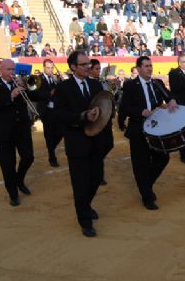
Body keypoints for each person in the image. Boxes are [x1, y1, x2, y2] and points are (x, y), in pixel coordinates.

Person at [54, 51, 108, 237]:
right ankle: (85, 220)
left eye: (89, 63)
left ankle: (85, 205)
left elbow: (104, 107)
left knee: (96, 177)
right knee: (80, 183)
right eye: (84, 64)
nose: (88, 66)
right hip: (77, 142)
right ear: (73, 67)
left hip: (96, 140)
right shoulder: (63, 88)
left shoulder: (95, 84)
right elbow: (59, 115)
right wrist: (82, 116)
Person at [120, 56, 178, 210]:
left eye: (150, 65)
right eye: (146, 66)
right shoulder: (130, 85)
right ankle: (147, 196)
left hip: (157, 128)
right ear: (138, 69)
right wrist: (140, 111)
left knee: (163, 158)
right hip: (138, 129)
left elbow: (169, 95)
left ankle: (146, 185)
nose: (150, 68)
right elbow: (124, 107)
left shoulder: (157, 83)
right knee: (141, 164)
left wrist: (171, 100)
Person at [0, 59, 39, 207]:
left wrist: (27, 87)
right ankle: (13, 193)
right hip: (5, 132)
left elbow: (34, 96)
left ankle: (19, 179)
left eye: (13, 69)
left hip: (22, 129)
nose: (12, 72)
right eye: (9, 69)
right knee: (8, 164)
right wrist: (11, 95)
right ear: (1, 70)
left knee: (28, 157)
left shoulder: (20, 83)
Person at [87, 59, 115, 185]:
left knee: (109, 144)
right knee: (99, 148)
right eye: (96, 69)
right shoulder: (88, 83)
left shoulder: (101, 82)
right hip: (96, 119)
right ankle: (98, 175)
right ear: (90, 69)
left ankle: (95, 164)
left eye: (99, 69)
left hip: (106, 117)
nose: (99, 71)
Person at [36, 59, 63, 167]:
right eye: (48, 67)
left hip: (56, 110)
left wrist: (58, 81)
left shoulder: (54, 78)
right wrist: (49, 93)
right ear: (43, 67)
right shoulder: (39, 79)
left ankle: (51, 148)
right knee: (49, 135)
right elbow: (36, 95)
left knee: (60, 131)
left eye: (51, 67)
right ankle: (52, 157)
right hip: (46, 111)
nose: (50, 70)